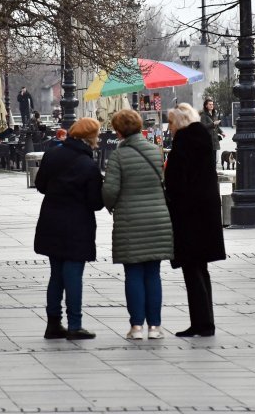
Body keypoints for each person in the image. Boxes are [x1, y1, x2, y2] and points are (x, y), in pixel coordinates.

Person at [102, 109, 173, 340]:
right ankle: (155, 327)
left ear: (119, 130)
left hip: (130, 222)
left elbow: (110, 191)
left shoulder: (118, 156)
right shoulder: (155, 152)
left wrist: (111, 205)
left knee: (133, 274)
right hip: (157, 220)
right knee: (153, 274)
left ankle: (136, 327)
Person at [34, 117, 103, 340]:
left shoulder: (52, 154)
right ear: (90, 138)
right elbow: (95, 202)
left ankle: (53, 323)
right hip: (77, 224)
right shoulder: (88, 164)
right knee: (73, 274)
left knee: (56, 274)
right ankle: (75, 324)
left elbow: (41, 185)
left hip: (51, 220)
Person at [165, 103, 225, 337]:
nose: (169, 127)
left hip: (189, 214)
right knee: (201, 270)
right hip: (205, 214)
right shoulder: (203, 141)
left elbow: (176, 182)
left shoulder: (183, 144)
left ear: (179, 123)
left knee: (192, 270)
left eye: (170, 122)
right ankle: (204, 321)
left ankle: (202, 323)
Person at [200, 98, 224, 167]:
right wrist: (213, 124)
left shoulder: (214, 114)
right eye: (210, 104)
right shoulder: (203, 115)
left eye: (212, 104)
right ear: (206, 106)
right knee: (209, 159)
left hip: (215, 140)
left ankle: (212, 173)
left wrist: (221, 132)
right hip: (208, 140)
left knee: (215, 159)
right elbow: (203, 126)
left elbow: (216, 126)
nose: (211, 106)